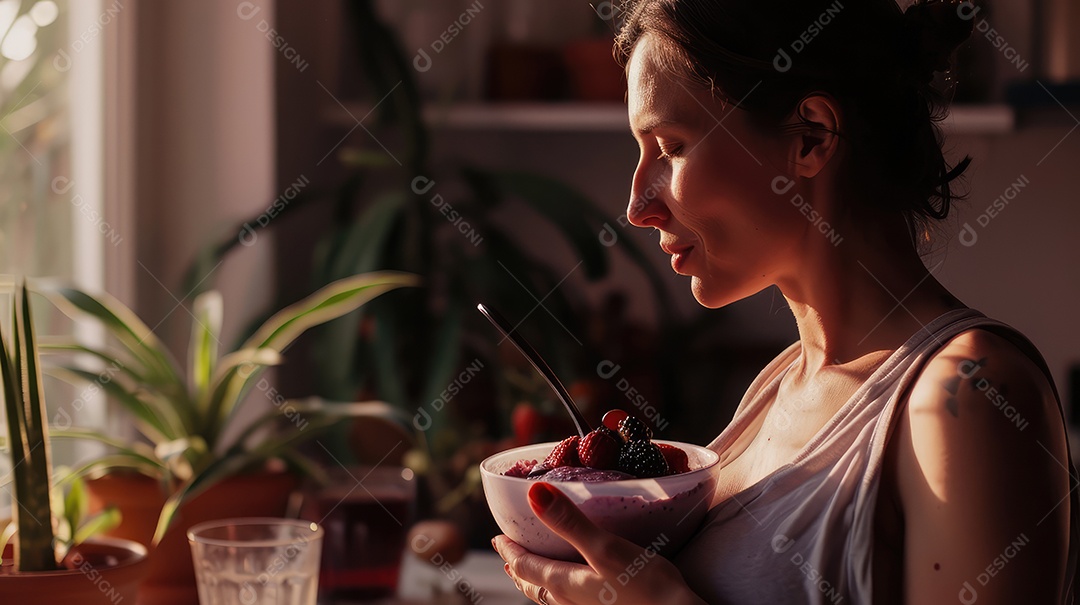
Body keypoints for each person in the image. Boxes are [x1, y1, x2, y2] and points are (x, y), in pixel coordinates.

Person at [493, 0, 1079, 603]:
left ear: (811, 137)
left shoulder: (968, 395)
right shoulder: (777, 387)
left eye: (669, 146)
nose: (638, 206)